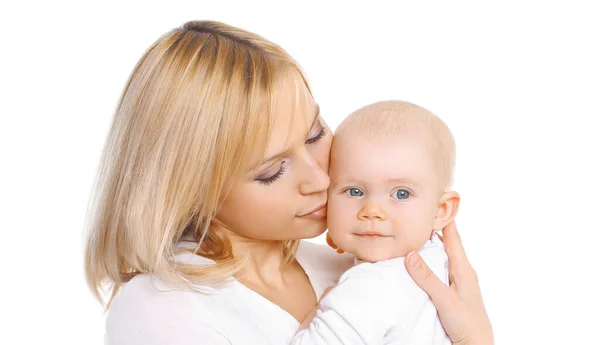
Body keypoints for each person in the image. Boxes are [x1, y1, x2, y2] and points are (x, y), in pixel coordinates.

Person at [84, 20, 493, 345]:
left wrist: (475, 336)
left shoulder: (351, 264)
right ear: (191, 189)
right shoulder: (161, 310)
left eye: (315, 135)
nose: (319, 179)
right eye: (271, 171)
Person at [295, 100, 458, 344]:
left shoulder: (368, 286)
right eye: (354, 191)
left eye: (401, 194)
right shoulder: (440, 261)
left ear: (441, 211)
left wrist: (315, 316)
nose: (372, 211)